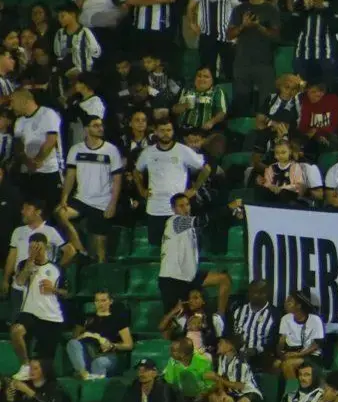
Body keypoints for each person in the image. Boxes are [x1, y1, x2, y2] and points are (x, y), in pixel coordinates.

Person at [133, 119, 209, 247]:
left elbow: (206, 169)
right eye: (162, 130)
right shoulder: (148, 152)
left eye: (169, 130)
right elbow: (136, 171)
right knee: (157, 247)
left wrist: (194, 189)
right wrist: (141, 190)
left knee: (180, 246)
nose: (166, 133)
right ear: (156, 132)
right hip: (155, 209)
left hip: (177, 210)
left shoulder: (182, 150)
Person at [56, 115, 122, 262]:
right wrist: (64, 198)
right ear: (86, 129)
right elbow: (70, 176)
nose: (100, 128)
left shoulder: (111, 150)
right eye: (95, 125)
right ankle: (80, 250)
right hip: (81, 199)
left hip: (102, 203)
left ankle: (99, 276)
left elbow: (117, 180)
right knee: (60, 214)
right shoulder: (76, 149)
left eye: (101, 125)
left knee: (100, 253)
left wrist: (112, 204)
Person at [158, 194, 232, 313]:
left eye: (187, 205)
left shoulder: (188, 226)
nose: (185, 208)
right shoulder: (175, 222)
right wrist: (229, 207)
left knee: (224, 279)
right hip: (172, 280)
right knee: (172, 322)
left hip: (189, 277)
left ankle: (219, 317)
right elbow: (203, 220)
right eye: (181, 206)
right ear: (173, 209)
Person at [10, 234, 64, 379]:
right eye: (32, 247)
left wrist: (54, 289)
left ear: (45, 247)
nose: (35, 250)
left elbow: (68, 292)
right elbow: (20, 282)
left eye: (38, 247)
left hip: (51, 316)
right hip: (30, 312)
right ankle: (25, 365)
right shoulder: (24, 264)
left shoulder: (55, 268)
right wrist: (30, 259)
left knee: (46, 361)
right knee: (16, 330)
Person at [187, 0, 242, 80]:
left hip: (226, 36)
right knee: (206, 71)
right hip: (206, 36)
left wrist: (237, 31)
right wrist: (192, 23)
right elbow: (190, 7)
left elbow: (238, 10)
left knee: (230, 71)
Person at [67, 289, 133, 379]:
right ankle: (82, 372)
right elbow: (74, 341)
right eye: (97, 301)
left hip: (108, 356)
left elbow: (129, 344)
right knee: (72, 343)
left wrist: (112, 345)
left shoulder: (118, 319)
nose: (100, 304)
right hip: (88, 352)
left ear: (110, 301)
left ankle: (94, 383)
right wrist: (82, 336)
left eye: (103, 300)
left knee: (98, 362)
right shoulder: (87, 319)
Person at [206, 333, 263, 402]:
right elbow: (221, 379)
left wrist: (216, 377)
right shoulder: (222, 359)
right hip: (234, 394)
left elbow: (239, 386)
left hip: (249, 392)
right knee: (216, 399)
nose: (218, 344)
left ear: (230, 346)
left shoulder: (240, 362)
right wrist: (223, 393)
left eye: (221, 342)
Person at [229, 280, 279, 372]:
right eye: (250, 292)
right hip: (238, 352)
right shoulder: (238, 310)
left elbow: (274, 341)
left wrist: (256, 350)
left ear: (264, 294)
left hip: (261, 355)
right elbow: (232, 332)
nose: (251, 295)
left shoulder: (274, 314)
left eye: (255, 292)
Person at [276, 291, 325, 380]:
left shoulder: (315, 320)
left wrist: (298, 354)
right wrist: (281, 354)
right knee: (275, 364)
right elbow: (281, 341)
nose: (285, 304)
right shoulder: (285, 319)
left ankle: (292, 392)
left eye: (289, 302)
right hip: (292, 352)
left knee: (288, 365)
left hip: (311, 356)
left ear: (298, 305)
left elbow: (316, 345)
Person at [5, 357, 70, 402]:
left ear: (44, 370)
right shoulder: (24, 384)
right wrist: (10, 399)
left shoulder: (53, 386)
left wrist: (28, 391)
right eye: (30, 368)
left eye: (35, 368)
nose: (31, 371)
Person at [163, 336, 213, 402]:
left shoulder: (203, 362)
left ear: (182, 354)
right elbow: (169, 383)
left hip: (200, 398)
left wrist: (203, 395)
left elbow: (211, 385)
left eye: (173, 351)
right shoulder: (172, 361)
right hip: (179, 397)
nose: (170, 353)